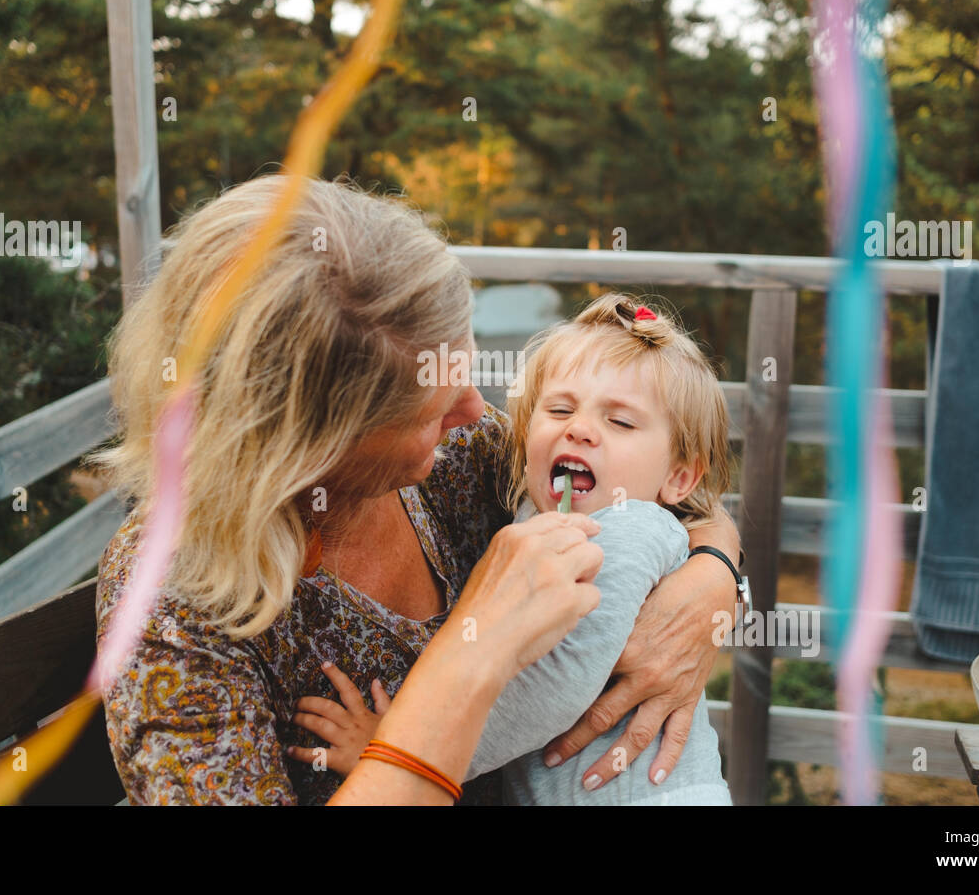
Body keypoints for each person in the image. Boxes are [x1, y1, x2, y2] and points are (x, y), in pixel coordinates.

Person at [91, 173, 742, 804]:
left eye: (463, 368)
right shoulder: (172, 606)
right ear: (308, 448)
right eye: (428, 410)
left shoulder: (457, 451)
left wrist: (709, 581)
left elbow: (675, 504)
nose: (474, 410)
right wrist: (470, 659)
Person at [294, 292, 736, 804]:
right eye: (559, 408)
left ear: (679, 476)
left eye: (620, 422)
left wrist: (395, 747)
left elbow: (556, 686)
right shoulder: (536, 506)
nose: (580, 428)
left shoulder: (628, 529)